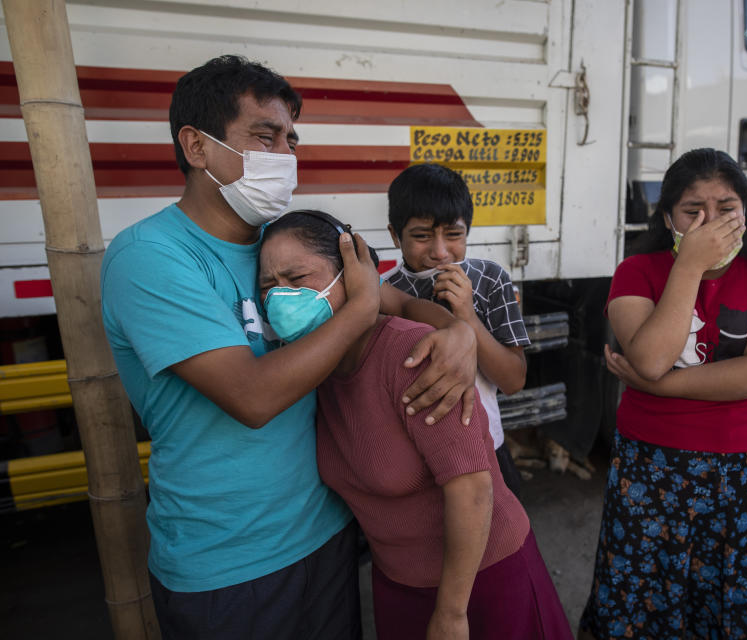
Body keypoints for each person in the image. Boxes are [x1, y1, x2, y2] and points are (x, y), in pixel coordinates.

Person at [100, 55, 477, 639]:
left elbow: (400, 305)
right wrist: (355, 310)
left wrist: (458, 336)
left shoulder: (281, 248)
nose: (283, 158)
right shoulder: (151, 257)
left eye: (290, 140)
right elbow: (251, 398)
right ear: (196, 148)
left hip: (324, 537)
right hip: (226, 565)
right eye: (263, 137)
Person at [258, 209, 572, 640]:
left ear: (353, 277)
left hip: (478, 583)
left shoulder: (413, 355)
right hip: (398, 585)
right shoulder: (317, 367)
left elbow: (472, 488)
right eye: (268, 285)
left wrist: (451, 613)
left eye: (297, 278)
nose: (280, 297)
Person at [578, 148, 747, 639]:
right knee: (640, 590)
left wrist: (658, 384)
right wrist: (689, 268)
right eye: (692, 210)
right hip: (651, 464)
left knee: (722, 598)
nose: (709, 222)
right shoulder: (638, 272)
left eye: (726, 208)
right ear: (667, 218)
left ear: (746, 211)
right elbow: (652, 356)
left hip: (742, 471)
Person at [382, 163, 529, 493]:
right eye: (421, 236)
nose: (440, 252)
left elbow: (513, 380)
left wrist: (467, 316)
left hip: (486, 446)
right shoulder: (385, 294)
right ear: (394, 235)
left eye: (453, 235)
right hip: (414, 457)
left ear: (468, 231)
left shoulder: (490, 280)